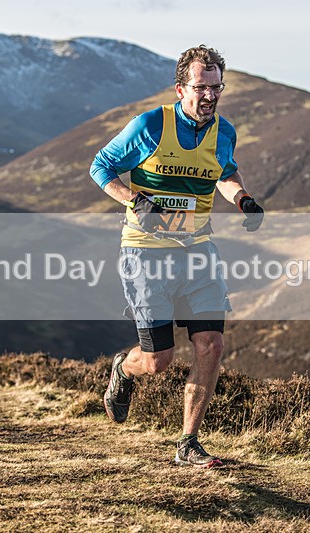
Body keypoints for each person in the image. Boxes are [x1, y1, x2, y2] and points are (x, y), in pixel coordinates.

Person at [90, 45, 264, 468]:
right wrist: (134, 199)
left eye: (216, 87)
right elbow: (101, 167)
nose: (210, 96)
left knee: (211, 345)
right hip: (147, 252)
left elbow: (225, 171)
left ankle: (188, 443)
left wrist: (242, 199)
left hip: (198, 251)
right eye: (201, 87)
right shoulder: (151, 125)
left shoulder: (224, 132)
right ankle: (124, 369)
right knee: (157, 361)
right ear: (181, 88)